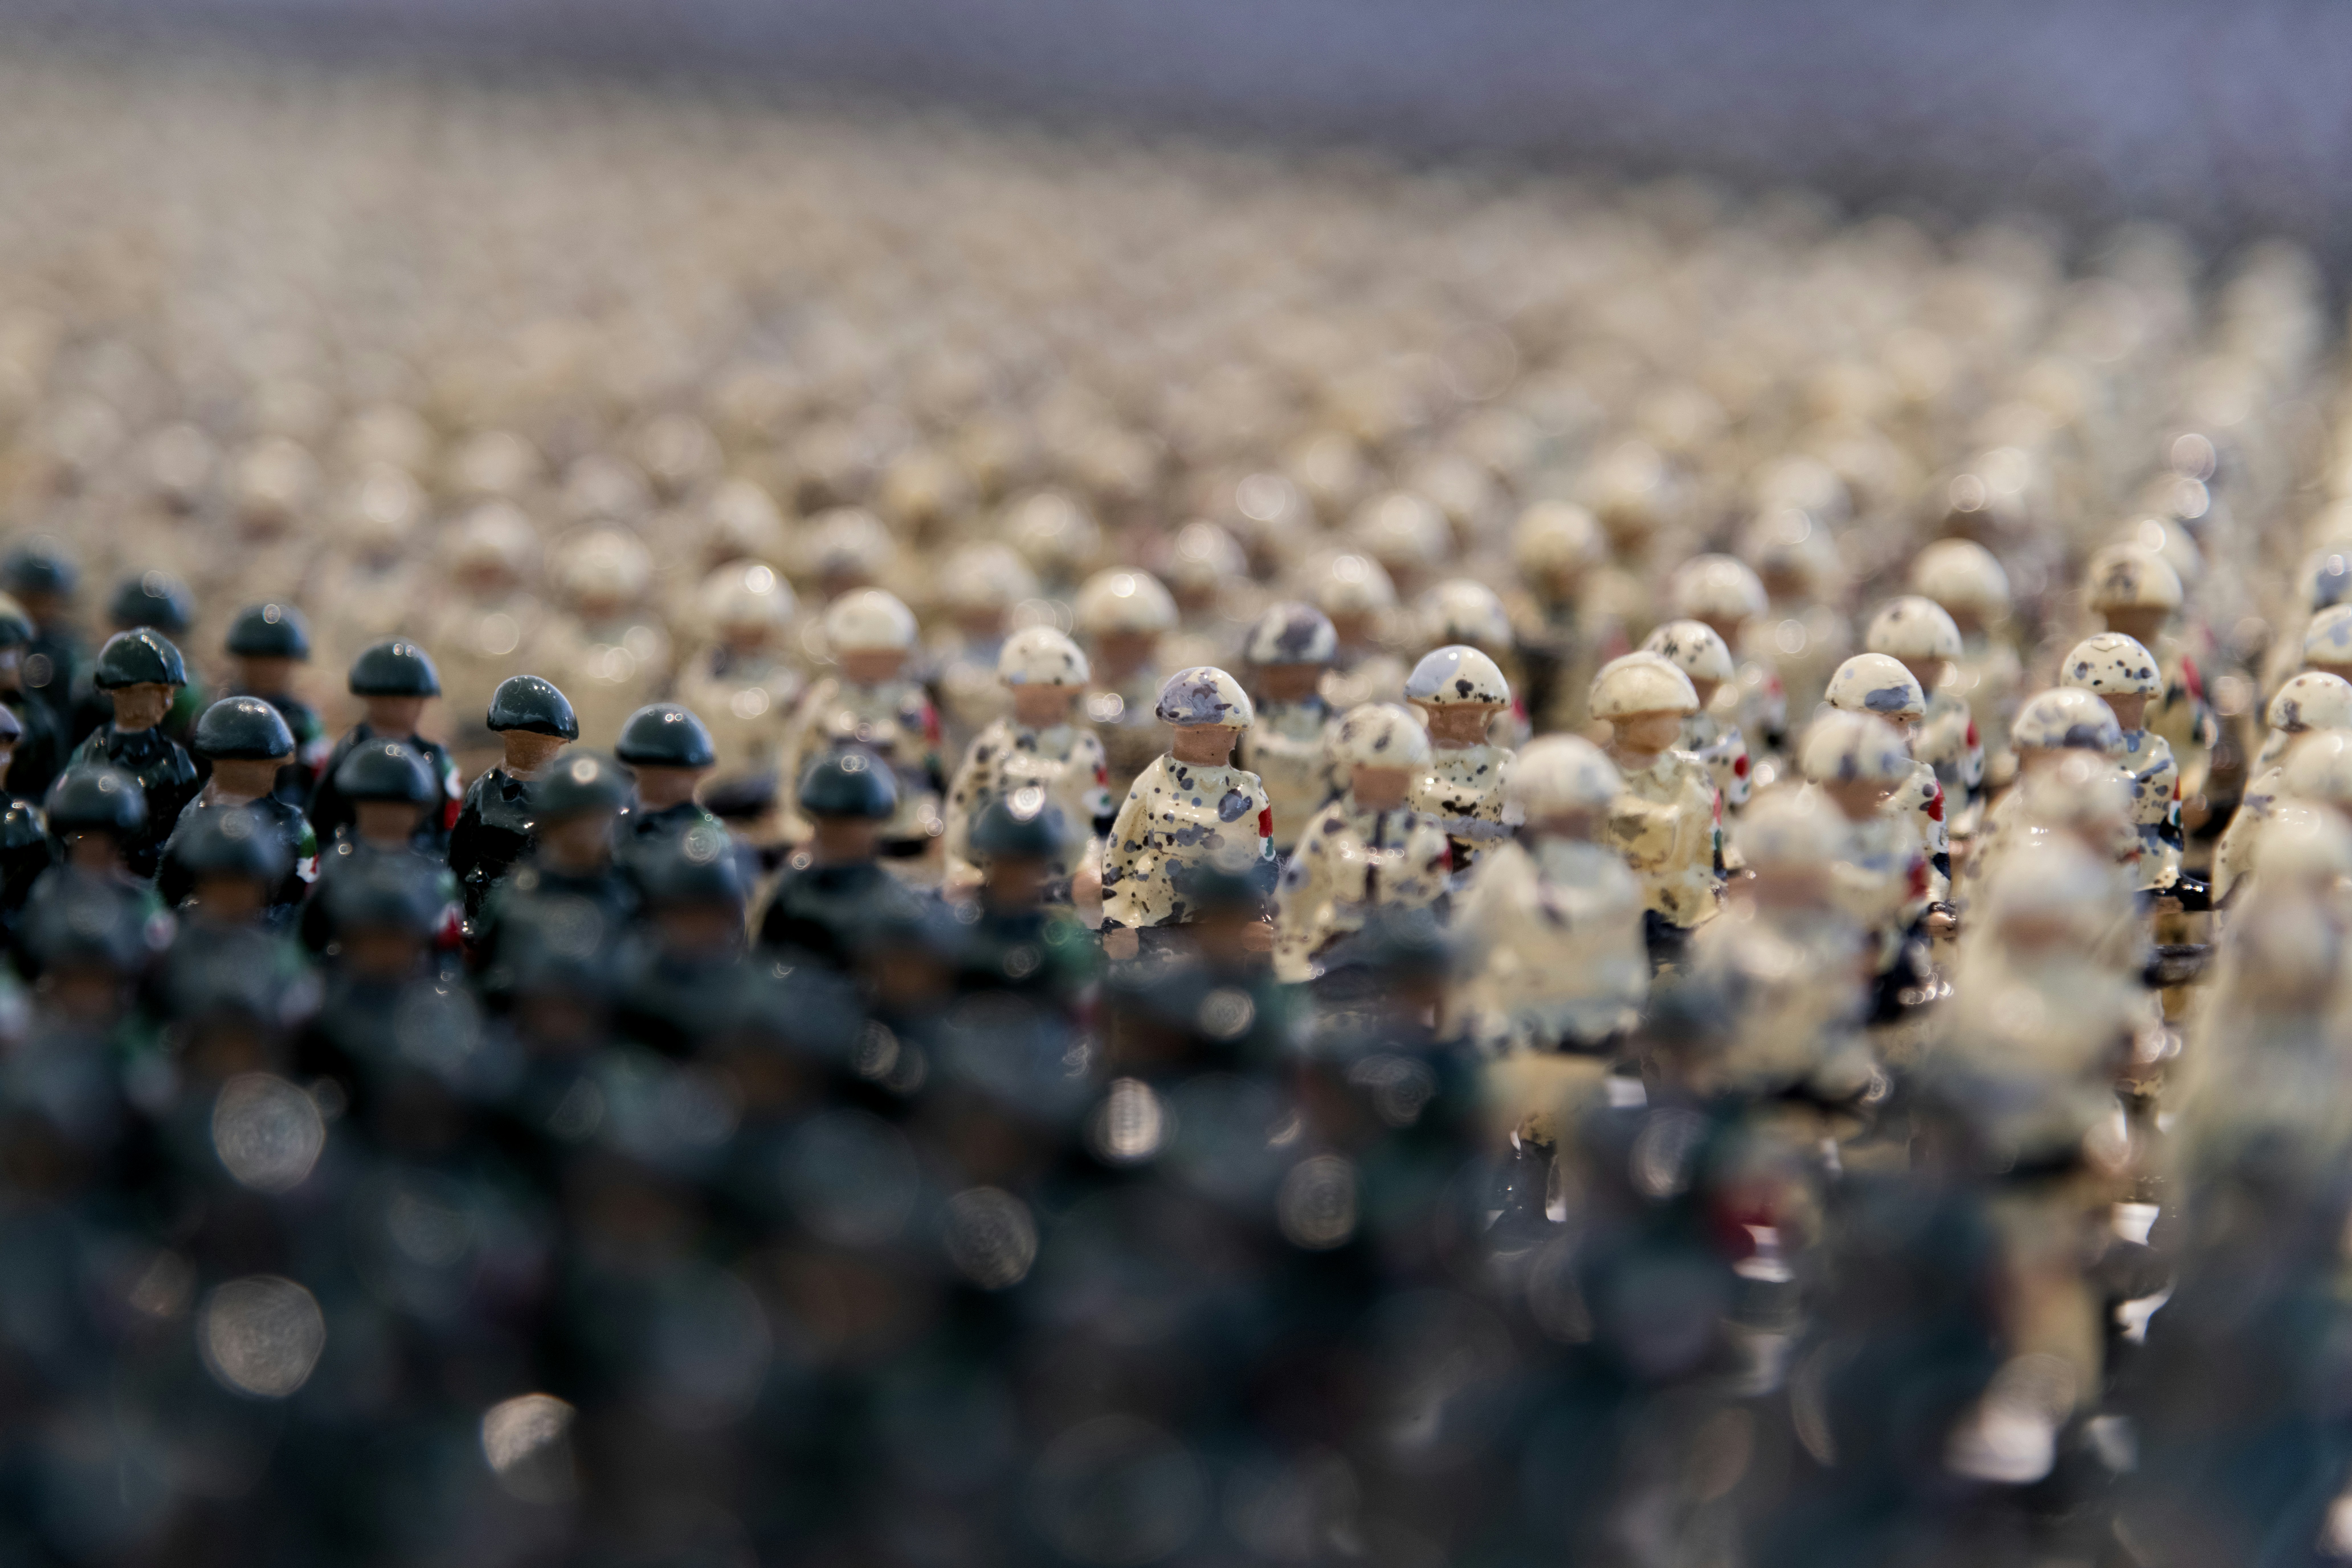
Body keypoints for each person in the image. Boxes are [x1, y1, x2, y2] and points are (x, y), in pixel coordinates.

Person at [1447, 734, 1647, 1054]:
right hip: (1520, 1026)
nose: (1583, 820)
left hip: (1599, 1026)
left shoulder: (1612, 871)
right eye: (1572, 811)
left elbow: (1628, 956)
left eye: (1588, 810)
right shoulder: (1508, 869)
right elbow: (1470, 943)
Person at [1099, 667, 1276, 963]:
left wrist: (1258, 917)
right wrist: (1117, 920)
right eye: (1208, 732)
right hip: (1152, 924)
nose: (1227, 741)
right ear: (1182, 730)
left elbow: (1263, 864)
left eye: (1231, 731)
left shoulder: (1249, 794)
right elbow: (1121, 853)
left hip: (1224, 928)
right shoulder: (1152, 783)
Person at [1271, 703, 1452, 986]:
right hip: (1337, 955)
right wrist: (1290, 963)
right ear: (1353, 767)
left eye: (1399, 770)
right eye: (1374, 768)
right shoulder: (1330, 827)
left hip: (1407, 960)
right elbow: (1296, 896)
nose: (1390, 779)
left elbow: (1439, 901)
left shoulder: (1425, 833)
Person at [939, 625, 1110, 904]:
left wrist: (1091, 864)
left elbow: (1099, 816)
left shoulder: (1085, 749)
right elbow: (963, 807)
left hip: (1066, 872)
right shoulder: (993, 746)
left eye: (1054, 689)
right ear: (1013, 689)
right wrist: (962, 868)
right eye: (1033, 691)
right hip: (999, 869)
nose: (1044, 699)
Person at [1588, 650, 1721, 966]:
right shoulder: (1594, 774)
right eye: (1666, 714)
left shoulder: (1693, 772)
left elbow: (1711, 840)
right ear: (1633, 717)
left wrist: (1722, 886)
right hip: (1613, 916)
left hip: (1685, 910)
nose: (1677, 722)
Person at [158, 697, 317, 922]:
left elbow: (307, 892)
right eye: (236, 766)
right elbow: (168, 888)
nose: (250, 776)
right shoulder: (195, 818)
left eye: (262, 765)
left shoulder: (294, 825)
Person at [64, 628, 200, 879]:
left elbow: (188, 827)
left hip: (155, 876)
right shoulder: (91, 754)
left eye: (169, 692)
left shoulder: (176, 762)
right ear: (122, 691)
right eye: (155, 692)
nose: (167, 703)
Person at [308, 638, 460, 855]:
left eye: (407, 699)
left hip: (418, 852)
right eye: (386, 699)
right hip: (357, 850)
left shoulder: (433, 756)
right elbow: (323, 813)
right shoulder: (351, 749)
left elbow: (448, 818)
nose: (396, 707)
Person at [450, 674, 578, 925]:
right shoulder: (486, 789)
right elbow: (460, 852)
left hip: (543, 904)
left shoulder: (563, 797)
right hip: (485, 899)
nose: (529, 751)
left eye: (542, 743)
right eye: (519, 740)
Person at [1236, 602, 1342, 858]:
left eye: (1302, 669)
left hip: (1320, 848)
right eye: (1279, 670)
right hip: (1252, 849)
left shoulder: (1340, 730)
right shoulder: (1238, 729)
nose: (1291, 679)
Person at [1402, 644, 1518, 868]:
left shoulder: (1504, 766)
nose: (1478, 723)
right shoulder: (1410, 764)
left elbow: (1515, 830)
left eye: (1480, 715)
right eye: (1462, 716)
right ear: (1433, 713)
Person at [222, 601, 332, 810]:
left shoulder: (302, 718)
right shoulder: (222, 713)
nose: (267, 669)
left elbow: (319, 771)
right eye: (258, 659)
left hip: (287, 805)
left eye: (277, 661)